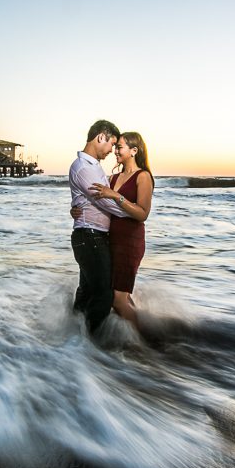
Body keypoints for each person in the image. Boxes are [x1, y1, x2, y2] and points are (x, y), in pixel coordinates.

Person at [87, 132, 154, 329]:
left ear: (134, 151)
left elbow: (142, 214)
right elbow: (103, 206)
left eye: (120, 147)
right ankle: (137, 334)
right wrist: (78, 211)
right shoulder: (113, 177)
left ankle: (146, 343)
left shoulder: (143, 177)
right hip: (110, 239)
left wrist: (116, 196)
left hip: (130, 242)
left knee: (118, 300)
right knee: (119, 296)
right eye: (116, 147)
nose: (116, 150)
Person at [69, 119, 128, 335]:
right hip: (89, 237)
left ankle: (75, 338)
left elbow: (88, 200)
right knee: (103, 294)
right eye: (111, 144)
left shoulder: (93, 167)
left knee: (87, 292)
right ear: (100, 137)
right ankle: (91, 343)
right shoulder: (83, 167)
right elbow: (104, 201)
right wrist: (133, 211)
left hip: (92, 236)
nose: (111, 150)